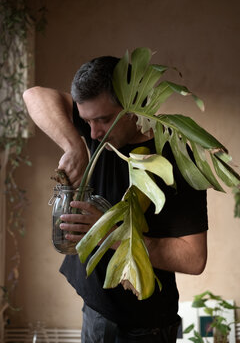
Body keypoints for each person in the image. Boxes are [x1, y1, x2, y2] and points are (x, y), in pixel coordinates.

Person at [23, 55, 208, 343]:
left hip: (144, 329)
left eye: (104, 120)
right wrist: (74, 144)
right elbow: (34, 95)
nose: (95, 133)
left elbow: (194, 259)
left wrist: (107, 232)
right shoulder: (96, 130)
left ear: (134, 104)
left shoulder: (176, 158)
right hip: (95, 313)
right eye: (87, 121)